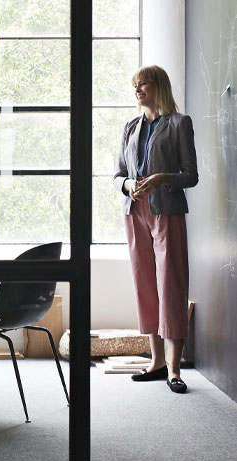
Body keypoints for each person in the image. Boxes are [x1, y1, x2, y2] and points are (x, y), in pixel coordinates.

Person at [113, 65, 198, 394]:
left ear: (158, 85)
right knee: (145, 285)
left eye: (143, 83)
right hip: (135, 211)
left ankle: (175, 370)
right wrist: (128, 186)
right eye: (135, 84)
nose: (137, 89)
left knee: (172, 285)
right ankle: (156, 362)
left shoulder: (179, 123)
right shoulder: (131, 127)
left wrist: (163, 178)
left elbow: (190, 175)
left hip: (168, 210)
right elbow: (119, 174)